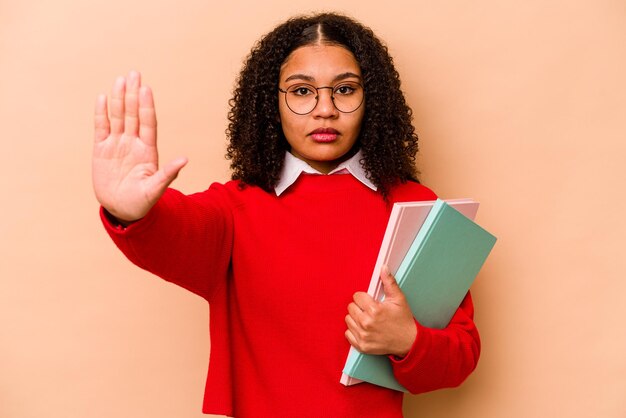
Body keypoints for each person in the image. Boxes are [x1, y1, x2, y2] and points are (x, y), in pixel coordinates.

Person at [93, 12, 480, 418]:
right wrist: (131, 211)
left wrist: (408, 340)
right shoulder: (234, 209)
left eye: (345, 90)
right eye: (301, 91)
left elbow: (461, 354)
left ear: (374, 100)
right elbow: (174, 229)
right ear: (270, 103)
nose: (325, 110)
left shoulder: (415, 205)